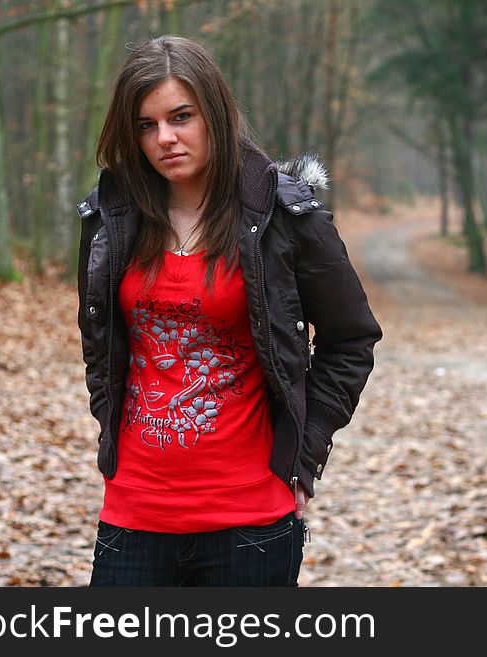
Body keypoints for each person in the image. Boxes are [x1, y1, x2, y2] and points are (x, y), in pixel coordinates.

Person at [75, 35, 382, 586]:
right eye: (146, 125)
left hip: (251, 521)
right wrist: (109, 428)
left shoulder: (284, 216)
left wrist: (304, 455)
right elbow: (99, 344)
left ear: (214, 113)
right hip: (133, 512)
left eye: (181, 116)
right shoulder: (114, 217)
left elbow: (351, 338)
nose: (165, 137)